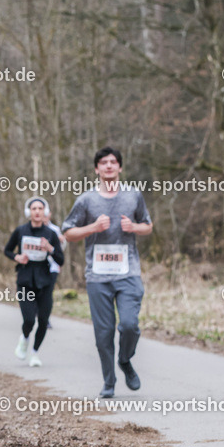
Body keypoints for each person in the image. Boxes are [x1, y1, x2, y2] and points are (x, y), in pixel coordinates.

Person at [61, 147, 153, 398]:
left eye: (114, 162)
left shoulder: (133, 196)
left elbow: (148, 226)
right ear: (96, 169)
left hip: (128, 272)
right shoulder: (86, 200)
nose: (109, 166)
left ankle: (125, 359)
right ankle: (109, 382)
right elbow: (67, 232)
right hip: (98, 277)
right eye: (104, 162)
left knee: (129, 325)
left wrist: (133, 226)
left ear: (120, 168)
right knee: (103, 334)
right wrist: (92, 227)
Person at [4, 197, 64, 367]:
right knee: (29, 319)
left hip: (45, 281)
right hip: (25, 280)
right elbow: (7, 250)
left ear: (45, 212)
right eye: (34, 208)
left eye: (40, 208)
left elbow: (61, 260)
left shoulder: (50, 234)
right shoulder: (20, 231)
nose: (37, 211)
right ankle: (24, 338)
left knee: (44, 320)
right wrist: (17, 257)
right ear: (28, 212)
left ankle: (35, 353)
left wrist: (50, 249)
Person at [44, 213, 67, 329]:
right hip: (37, 266)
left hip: (52, 266)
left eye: (46, 214)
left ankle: (46, 318)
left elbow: (61, 249)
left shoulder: (55, 230)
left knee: (48, 293)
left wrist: (61, 241)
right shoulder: (31, 229)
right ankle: (36, 313)